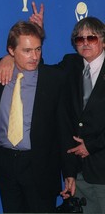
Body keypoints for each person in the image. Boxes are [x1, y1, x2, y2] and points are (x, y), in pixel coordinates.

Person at [0, 21, 66, 213]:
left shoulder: (54, 79)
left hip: (40, 164)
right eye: (27, 50)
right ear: (11, 50)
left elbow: (64, 127)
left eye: (38, 49)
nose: (35, 56)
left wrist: (69, 172)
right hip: (5, 162)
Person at [59, 17, 105, 213]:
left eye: (91, 38)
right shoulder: (71, 64)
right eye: (80, 39)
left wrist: (91, 146)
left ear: (103, 40)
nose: (85, 42)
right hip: (77, 173)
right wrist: (9, 58)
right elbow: (38, 69)